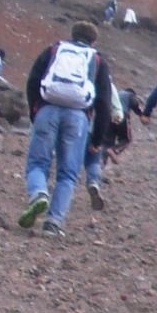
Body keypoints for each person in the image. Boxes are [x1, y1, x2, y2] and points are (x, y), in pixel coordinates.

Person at [19, 22, 114, 236]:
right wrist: (97, 140)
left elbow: (33, 81)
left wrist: (35, 111)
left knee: (37, 163)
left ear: (72, 34)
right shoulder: (97, 60)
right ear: (93, 41)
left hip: (47, 110)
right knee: (68, 173)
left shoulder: (54, 50)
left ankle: (39, 193)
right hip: (78, 118)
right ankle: (53, 223)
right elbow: (104, 103)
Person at [83, 84, 136, 211]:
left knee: (102, 145)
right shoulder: (110, 85)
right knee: (123, 140)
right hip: (110, 119)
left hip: (84, 124)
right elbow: (119, 110)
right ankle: (94, 181)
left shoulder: (85, 80)